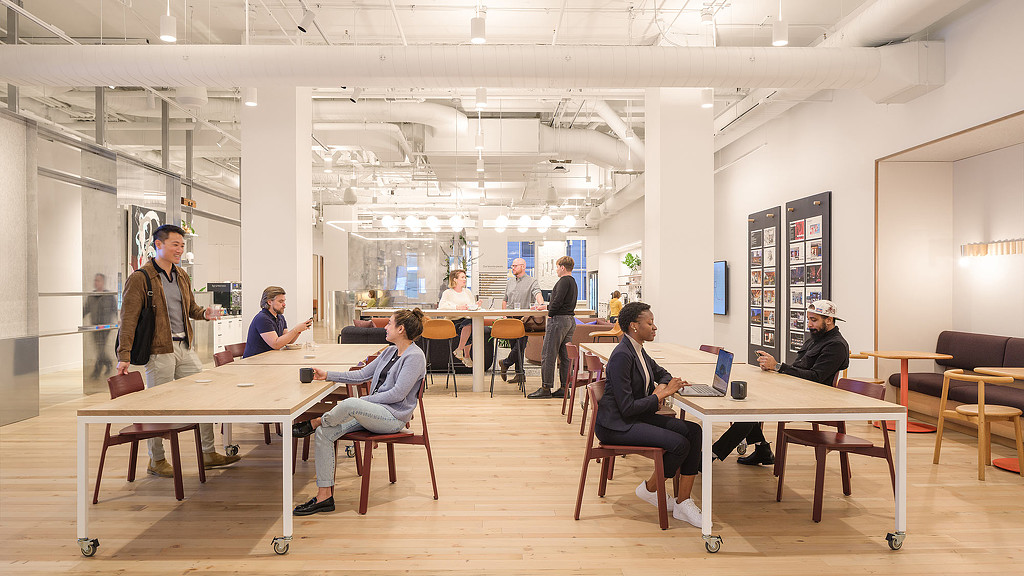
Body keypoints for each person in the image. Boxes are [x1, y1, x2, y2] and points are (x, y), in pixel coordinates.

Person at [116, 224, 240, 478]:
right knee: (159, 405)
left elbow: (191, 309)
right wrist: (124, 355)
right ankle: (156, 459)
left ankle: (208, 452)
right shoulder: (141, 278)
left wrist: (205, 313)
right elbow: (128, 319)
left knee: (203, 398)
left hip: (184, 347)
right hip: (158, 351)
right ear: (158, 245)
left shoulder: (181, 275)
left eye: (182, 245)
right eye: (175, 244)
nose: (180, 250)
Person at [291, 308, 428, 516]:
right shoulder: (389, 351)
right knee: (325, 434)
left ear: (401, 329)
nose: (386, 327)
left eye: (389, 323)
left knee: (350, 404)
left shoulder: (415, 356)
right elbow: (361, 375)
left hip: (392, 417)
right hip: (373, 412)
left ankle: (316, 421)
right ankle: (324, 496)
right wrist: (326, 375)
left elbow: (397, 394)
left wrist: (361, 402)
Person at [596, 302, 703, 527]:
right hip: (617, 425)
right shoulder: (622, 356)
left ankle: (683, 502)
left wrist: (660, 390)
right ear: (634, 326)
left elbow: (662, 373)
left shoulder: (638, 349)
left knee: (693, 431)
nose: (655, 328)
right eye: (650, 323)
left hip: (635, 416)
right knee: (679, 444)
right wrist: (659, 396)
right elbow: (626, 407)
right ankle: (650, 489)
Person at [712, 299, 850, 465]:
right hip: (797, 390)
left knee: (748, 411)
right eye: (808, 319)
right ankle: (761, 449)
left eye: (814, 320)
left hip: (814, 399)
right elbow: (799, 369)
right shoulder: (815, 338)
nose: (809, 324)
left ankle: (711, 455)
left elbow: (815, 378)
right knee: (748, 406)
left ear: (829, 320)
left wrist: (778, 366)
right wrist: (774, 367)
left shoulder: (836, 345)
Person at [528, 256, 577, 399]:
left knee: (548, 354)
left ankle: (546, 387)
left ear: (562, 267)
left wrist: (550, 313)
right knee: (565, 356)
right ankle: (564, 388)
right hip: (569, 320)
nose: (556, 270)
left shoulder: (563, 281)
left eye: (557, 267)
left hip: (558, 320)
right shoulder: (573, 282)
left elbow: (557, 300)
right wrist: (548, 306)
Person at [498, 257, 544, 385]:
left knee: (521, 345)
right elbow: (504, 299)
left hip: (524, 318)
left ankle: (505, 362)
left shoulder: (532, 281)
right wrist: (504, 315)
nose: (512, 268)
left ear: (523, 267)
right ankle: (520, 374)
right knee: (514, 346)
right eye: (512, 266)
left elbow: (537, 293)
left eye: (515, 266)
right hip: (510, 318)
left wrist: (541, 303)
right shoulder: (510, 282)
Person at [241, 286, 313, 358]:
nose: (284, 304)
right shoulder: (262, 318)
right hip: (254, 361)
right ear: (269, 302)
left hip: (268, 359)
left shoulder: (280, 317)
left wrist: (298, 331)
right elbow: (276, 344)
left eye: (284, 301)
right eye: (280, 301)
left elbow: (288, 341)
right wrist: (295, 330)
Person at [438, 269, 481, 367]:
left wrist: (476, 305)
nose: (465, 279)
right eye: (462, 277)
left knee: (471, 324)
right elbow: (441, 307)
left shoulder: (467, 292)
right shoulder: (447, 293)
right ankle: (466, 355)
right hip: (452, 321)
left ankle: (460, 350)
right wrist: (457, 307)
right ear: (455, 280)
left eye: (465, 277)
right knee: (469, 325)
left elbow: (471, 306)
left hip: (466, 319)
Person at [84, 273, 118, 379]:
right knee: (99, 349)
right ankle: (108, 363)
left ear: (103, 282)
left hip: (105, 327)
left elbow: (114, 309)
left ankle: (96, 371)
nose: (96, 282)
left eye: (98, 280)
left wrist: (119, 319)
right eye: (95, 280)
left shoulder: (109, 296)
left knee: (100, 348)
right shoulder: (92, 296)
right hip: (94, 327)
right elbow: (86, 309)